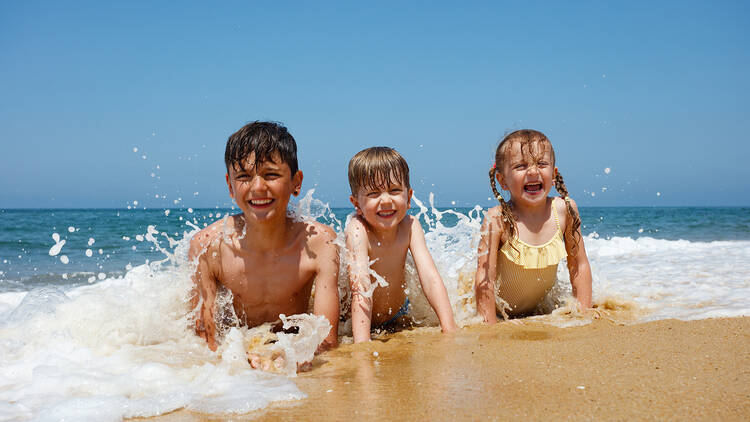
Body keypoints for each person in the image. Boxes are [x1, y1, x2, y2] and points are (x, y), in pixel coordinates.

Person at [189, 121, 340, 357]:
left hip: (291, 342)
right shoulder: (208, 246)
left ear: (296, 182)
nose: (258, 187)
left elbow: (326, 341)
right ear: (230, 186)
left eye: (271, 174)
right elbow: (204, 342)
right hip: (238, 347)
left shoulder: (319, 243)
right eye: (244, 177)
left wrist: (287, 361)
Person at [475, 129, 592, 322]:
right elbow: (484, 276)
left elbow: (579, 264)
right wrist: (489, 325)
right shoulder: (498, 219)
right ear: (502, 180)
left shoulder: (565, 210)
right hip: (499, 312)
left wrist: (584, 313)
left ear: (553, 174)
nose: (533, 171)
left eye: (541, 163)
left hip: (537, 313)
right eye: (520, 166)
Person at [345, 147, 457, 342]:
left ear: (409, 196)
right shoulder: (357, 230)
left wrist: (449, 327)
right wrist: (362, 343)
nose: (386, 200)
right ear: (356, 204)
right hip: (354, 319)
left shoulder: (410, 226)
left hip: (398, 314)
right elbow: (360, 287)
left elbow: (430, 277)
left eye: (395, 190)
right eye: (373, 194)